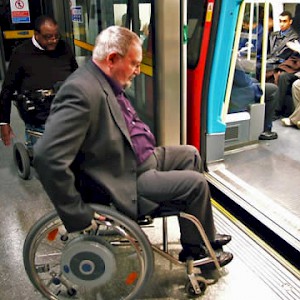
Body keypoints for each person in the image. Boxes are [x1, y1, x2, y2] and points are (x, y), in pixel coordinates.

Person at [33, 26, 233, 266]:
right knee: (196, 184)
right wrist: (77, 213)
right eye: (134, 64)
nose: (138, 71)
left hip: (137, 159)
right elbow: (47, 157)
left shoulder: (101, 79)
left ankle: (199, 238)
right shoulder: (81, 92)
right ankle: (199, 252)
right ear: (113, 59)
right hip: (124, 178)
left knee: (190, 154)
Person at [0, 15, 78, 147]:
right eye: (48, 37)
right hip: (39, 118)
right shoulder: (21, 54)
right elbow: (7, 89)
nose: (53, 40)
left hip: (68, 113)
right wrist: (3, 122)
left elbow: (77, 75)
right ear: (36, 34)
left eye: (56, 36)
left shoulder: (64, 47)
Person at [229, 60, 278, 140]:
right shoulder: (230, 56)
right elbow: (243, 82)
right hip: (236, 94)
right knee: (273, 89)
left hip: (231, 89)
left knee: (254, 80)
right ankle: (266, 129)